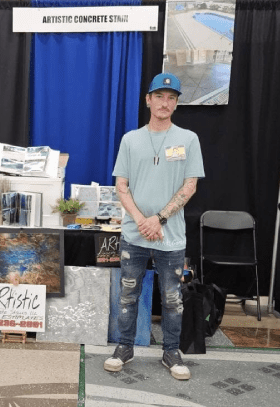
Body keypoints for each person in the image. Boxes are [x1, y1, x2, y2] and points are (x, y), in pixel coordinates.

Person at [104, 73, 205, 380]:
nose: (165, 103)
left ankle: (171, 352)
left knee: (173, 298)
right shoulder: (130, 140)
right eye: (159, 96)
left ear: (176, 103)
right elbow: (122, 186)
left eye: (171, 97)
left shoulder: (188, 140)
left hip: (170, 238)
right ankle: (124, 347)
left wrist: (158, 219)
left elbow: (190, 187)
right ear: (148, 100)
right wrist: (141, 221)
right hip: (135, 235)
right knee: (128, 294)